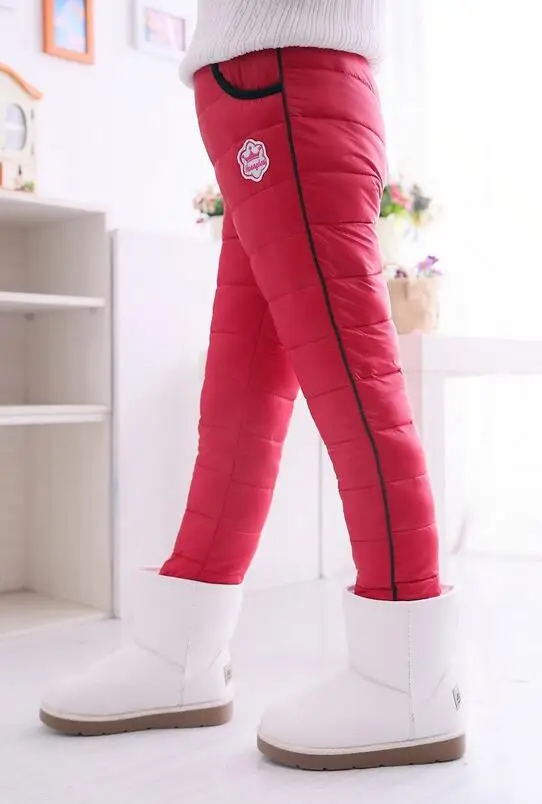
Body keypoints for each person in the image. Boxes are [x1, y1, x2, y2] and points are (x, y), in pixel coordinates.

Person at [39, 0, 465, 771]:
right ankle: (181, 652)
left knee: (354, 387)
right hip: (265, 92)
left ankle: (407, 679)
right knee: (239, 404)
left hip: (287, 84)